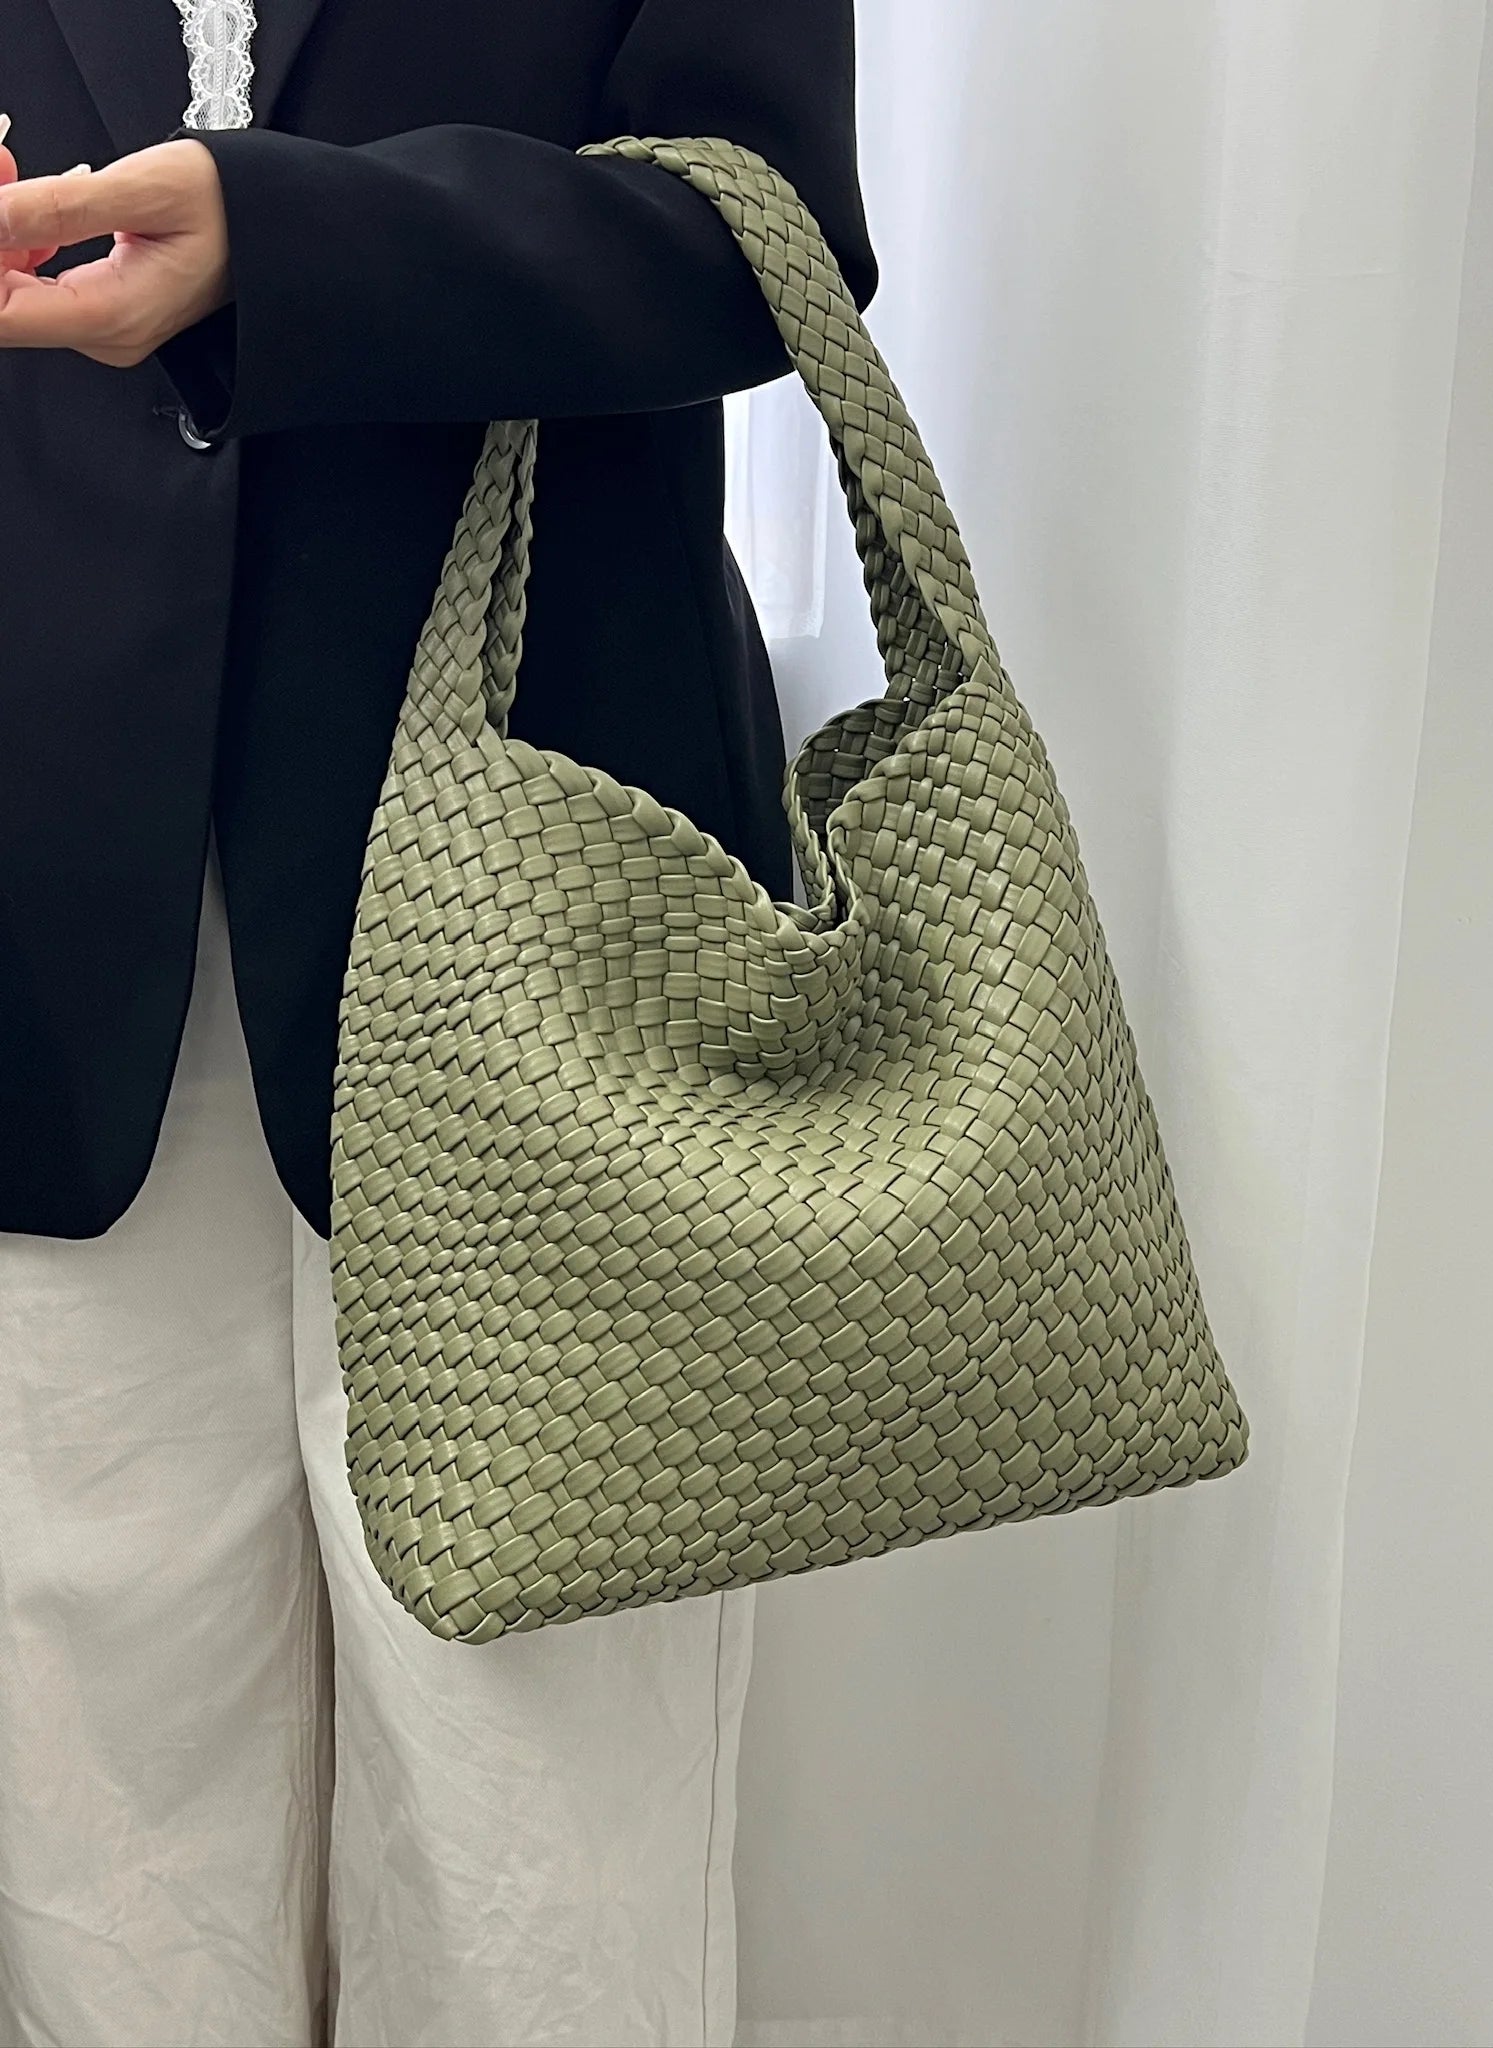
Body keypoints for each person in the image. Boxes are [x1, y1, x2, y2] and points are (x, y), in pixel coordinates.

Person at [0, 3, 878, 2042]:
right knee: (93, 1800)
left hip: (551, 905)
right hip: (57, 899)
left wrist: (287, 243)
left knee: (543, 1814)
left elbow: (767, 233)